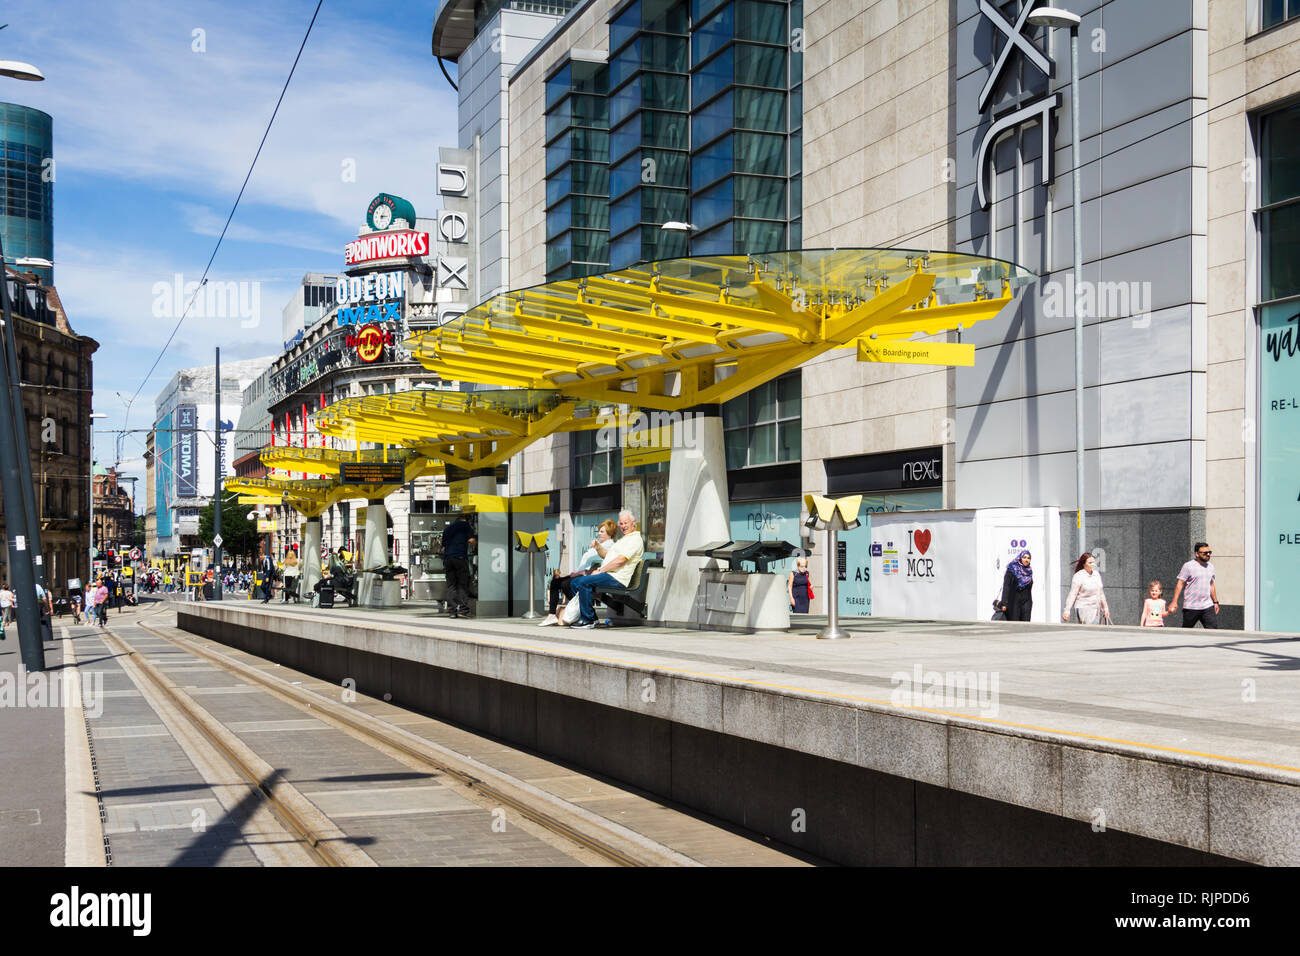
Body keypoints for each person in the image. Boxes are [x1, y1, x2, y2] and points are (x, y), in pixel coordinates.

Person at [569, 510, 644, 629]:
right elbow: (608, 555)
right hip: (611, 575)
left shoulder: (635, 540)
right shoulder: (624, 539)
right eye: (621, 523)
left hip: (618, 578)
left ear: (633, 523)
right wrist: (598, 547)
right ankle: (591, 617)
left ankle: (587, 620)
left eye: (626, 523)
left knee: (583, 582)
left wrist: (600, 570)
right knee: (575, 582)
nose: (623, 526)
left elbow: (620, 560)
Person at [540, 519, 615, 626]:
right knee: (556, 582)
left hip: (589, 576)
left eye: (602, 531)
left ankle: (590, 616)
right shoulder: (599, 545)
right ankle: (552, 615)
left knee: (567, 584)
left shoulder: (609, 546)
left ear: (610, 533)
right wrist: (577, 571)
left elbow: (599, 565)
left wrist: (580, 573)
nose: (599, 533)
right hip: (581, 574)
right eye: (599, 531)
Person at [1169, 542, 1219, 628]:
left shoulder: (1210, 566)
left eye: (1209, 552)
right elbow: (1180, 584)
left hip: (1207, 606)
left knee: (1213, 631)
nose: (1208, 555)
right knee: (1186, 631)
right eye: (1204, 553)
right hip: (1191, 606)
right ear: (1197, 554)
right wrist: (1174, 601)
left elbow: (1211, 584)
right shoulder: (1188, 566)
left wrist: (1215, 602)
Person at [441, 513, 476, 618]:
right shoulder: (465, 525)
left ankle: (452, 611)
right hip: (459, 557)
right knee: (462, 583)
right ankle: (463, 609)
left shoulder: (447, 529)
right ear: (466, 519)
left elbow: (443, 547)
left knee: (451, 585)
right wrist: (478, 545)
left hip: (448, 559)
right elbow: (471, 540)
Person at [1062, 552, 1109, 624]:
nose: (1093, 564)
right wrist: (1067, 610)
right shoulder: (1079, 576)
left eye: (1093, 562)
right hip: (1083, 607)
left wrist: (1105, 608)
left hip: (1096, 608)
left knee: (1095, 631)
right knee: (1090, 630)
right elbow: (1073, 594)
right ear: (1084, 564)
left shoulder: (1096, 575)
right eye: (1090, 563)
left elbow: (1101, 593)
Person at [997, 549, 1034, 621]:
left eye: (1028, 558)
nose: (1026, 560)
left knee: (1025, 625)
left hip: (1026, 603)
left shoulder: (1029, 571)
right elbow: (1006, 586)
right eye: (1024, 557)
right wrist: (1004, 603)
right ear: (1020, 558)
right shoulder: (1012, 569)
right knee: (1015, 623)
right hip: (1013, 602)